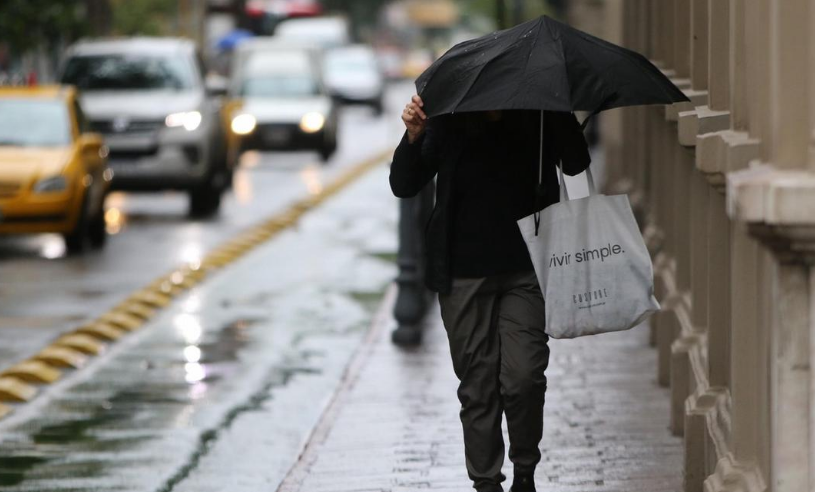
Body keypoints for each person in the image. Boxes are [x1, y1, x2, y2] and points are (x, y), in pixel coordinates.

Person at [389, 95, 591, 492]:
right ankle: (486, 482)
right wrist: (413, 136)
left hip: (527, 267)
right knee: (478, 387)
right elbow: (404, 184)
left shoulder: (537, 107)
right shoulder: (451, 110)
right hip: (463, 273)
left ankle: (525, 471)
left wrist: (560, 113)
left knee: (524, 377)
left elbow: (575, 162)